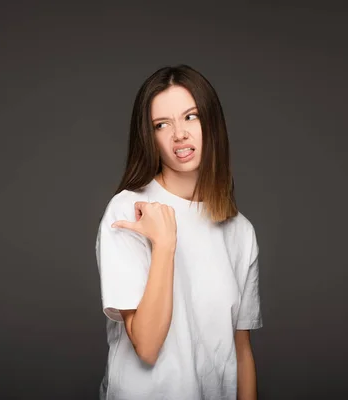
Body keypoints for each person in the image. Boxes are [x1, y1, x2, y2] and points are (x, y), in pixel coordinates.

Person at [95, 64, 263, 400]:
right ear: (150, 136)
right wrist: (165, 244)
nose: (179, 134)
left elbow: (241, 350)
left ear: (212, 123)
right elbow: (146, 346)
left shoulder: (240, 231)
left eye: (191, 117)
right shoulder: (129, 211)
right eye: (162, 124)